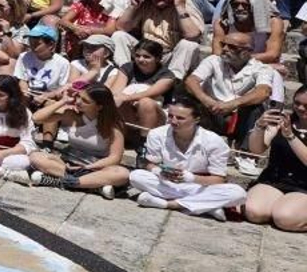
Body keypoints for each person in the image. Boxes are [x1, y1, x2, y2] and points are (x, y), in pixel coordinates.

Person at [129, 94, 246, 220]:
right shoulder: (156, 134)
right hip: (169, 183)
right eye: (170, 116)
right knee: (136, 176)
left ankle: (169, 204)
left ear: (196, 119)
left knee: (238, 194)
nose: (173, 121)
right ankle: (207, 205)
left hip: (199, 186)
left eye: (180, 118)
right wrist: (158, 171)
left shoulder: (214, 142)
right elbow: (149, 163)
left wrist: (191, 178)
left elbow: (218, 179)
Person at [26, 84, 131, 197]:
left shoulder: (112, 125)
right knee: (35, 156)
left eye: (85, 101)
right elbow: (37, 118)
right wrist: (63, 101)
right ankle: (93, 186)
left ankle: (62, 181)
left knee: (122, 174)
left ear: (99, 106)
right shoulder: (71, 115)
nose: (79, 101)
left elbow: (115, 158)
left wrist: (87, 168)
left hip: (96, 167)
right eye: (78, 96)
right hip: (67, 163)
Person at [185, 31, 274, 140]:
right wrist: (207, 101)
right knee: (188, 94)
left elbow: (263, 92)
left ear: (247, 51)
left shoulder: (262, 68)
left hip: (238, 115)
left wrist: (233, 104)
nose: (225, 49)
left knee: (255, 108)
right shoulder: (213, 60)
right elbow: (191, 81)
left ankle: (245, 149)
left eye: (232, 47)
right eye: (223, 44)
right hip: (211, 110)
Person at [244, 86, 307, 232]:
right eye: (297, 103)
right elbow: (257, 149)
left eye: (306, 105)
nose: (301, 108)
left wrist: (291, 136)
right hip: (275, 179)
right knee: (253, 212)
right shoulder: (284, 121)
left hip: (304, 185)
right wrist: (259, 127)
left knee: (285, 219)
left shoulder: (288, 130)